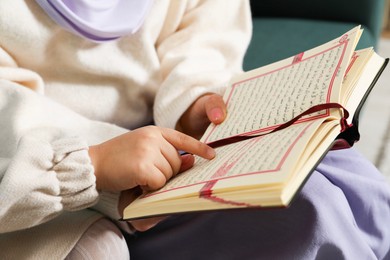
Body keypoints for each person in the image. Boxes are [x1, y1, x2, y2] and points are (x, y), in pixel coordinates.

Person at [0, 0, 389, 259]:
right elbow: (10, 112)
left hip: (167, 150)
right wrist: (96, 160)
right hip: (53, 170)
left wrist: (194, 104)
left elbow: (204, 33)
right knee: (309, 209)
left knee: (339, 172)